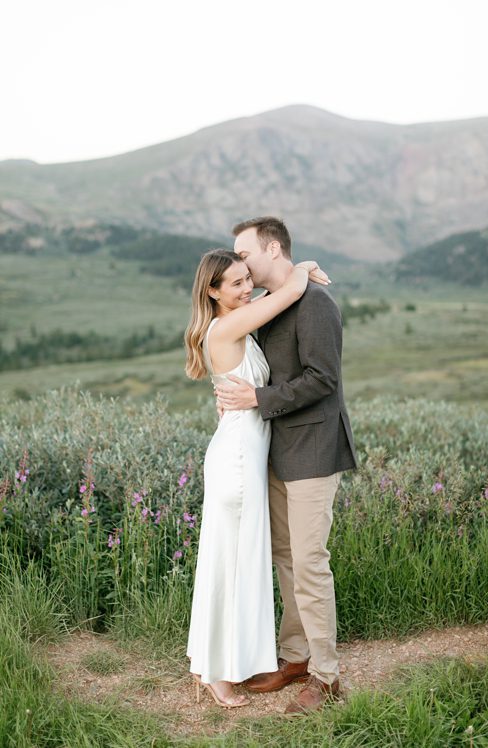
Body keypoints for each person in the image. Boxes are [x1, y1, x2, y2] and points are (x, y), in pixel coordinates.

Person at [214, 217, 357, 715]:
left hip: (314, 449)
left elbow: (323, 379)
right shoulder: (268, 304)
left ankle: (327, 677)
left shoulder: (316, 303)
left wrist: (258, 398)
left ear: (273, 249)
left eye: (244, 253)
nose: (240, 264)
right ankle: (296, 656)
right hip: (274, 450)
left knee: (310, 563)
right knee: (286, 557)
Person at [183, 248, 329, 708]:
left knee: (233, 563)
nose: (248, 288)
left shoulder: (233, 323)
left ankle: (215, 664)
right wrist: (302, 267)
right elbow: (289, 292)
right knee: (232, 567)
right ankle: (218, 675)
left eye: (249, 278)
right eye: (236, 283)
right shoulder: (228, 327)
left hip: (244, 454)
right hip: (238, 462)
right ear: (213, 292)